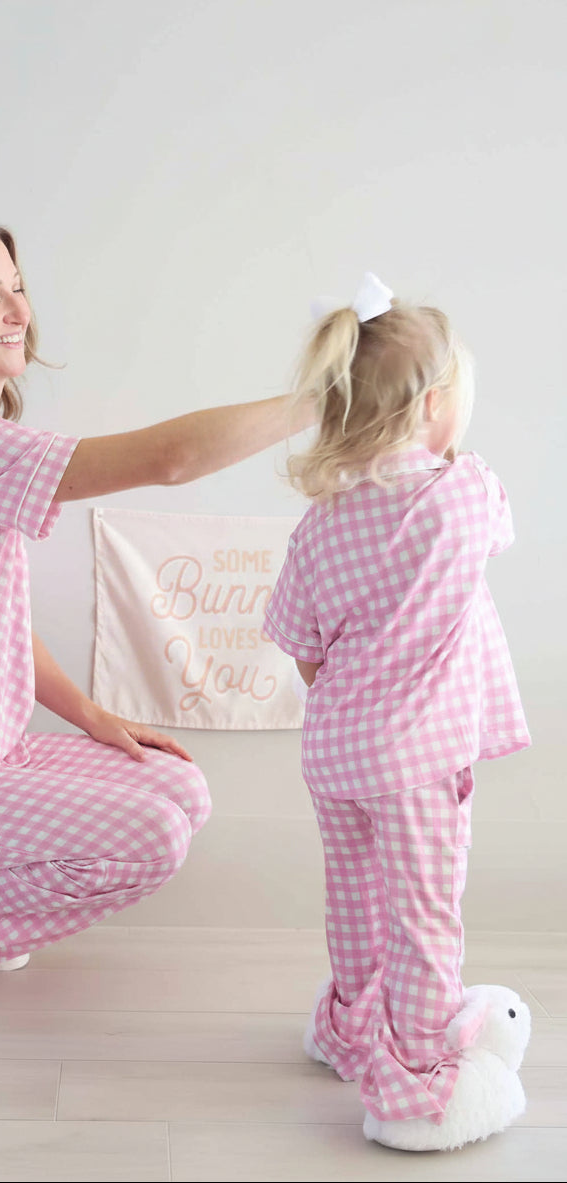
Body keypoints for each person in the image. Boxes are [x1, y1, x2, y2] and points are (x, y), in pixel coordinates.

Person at [0, 212, 312, 1020]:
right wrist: (323, 397)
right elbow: (170, 459)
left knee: (176, 787)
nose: (19, 310)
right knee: (152, 834)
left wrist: (93, 714)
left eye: (18, 288)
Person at [263, 274, 531, 1151]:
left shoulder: (319, 525)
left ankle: (349, 1027)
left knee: (354, 896)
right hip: (417, 758)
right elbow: (498, 524)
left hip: (335, 753)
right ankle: (415, 1081)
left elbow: (302, 648)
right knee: (423, 913)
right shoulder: (460, 494)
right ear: (432, 407)